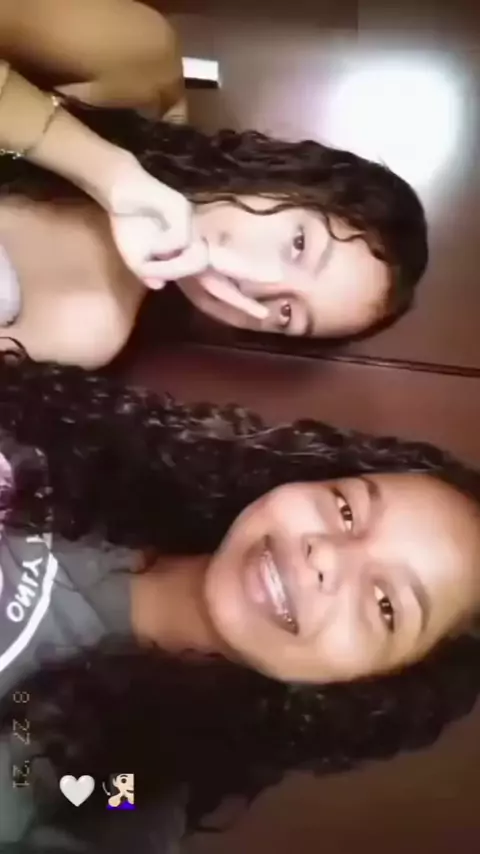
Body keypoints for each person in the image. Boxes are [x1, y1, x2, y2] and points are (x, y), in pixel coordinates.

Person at [0, 350, 478, 851]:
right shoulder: (94, 439)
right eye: (346, 510)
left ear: (372, 686)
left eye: (385, 604)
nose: (327, 556)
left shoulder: (128, 787)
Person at [0, 94, 428, 366]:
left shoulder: (89, 330)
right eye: (298, 245)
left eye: (286, 314)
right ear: (288, 179)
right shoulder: (125, 79)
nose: (257, 281)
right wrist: (106, 173)